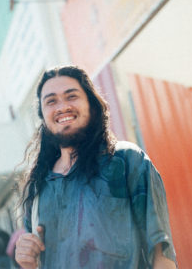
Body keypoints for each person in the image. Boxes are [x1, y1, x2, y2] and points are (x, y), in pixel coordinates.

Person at [15, 66, 178, 269]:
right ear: (43, 116)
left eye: (71, 96)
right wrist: (28, 263)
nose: (62, 106)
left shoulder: (127, 161)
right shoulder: (37, 188)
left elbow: (162, 255)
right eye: (51, 101)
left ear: (91, 106)